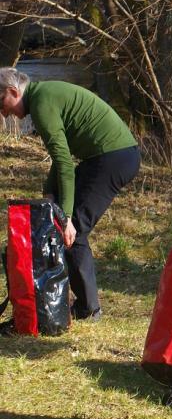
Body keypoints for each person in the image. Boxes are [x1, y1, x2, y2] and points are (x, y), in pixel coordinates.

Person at [0, 67, 140, 322]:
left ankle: (89, 309)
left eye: (2, 103)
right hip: (108, 156)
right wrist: (49, 195)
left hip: (113, 158)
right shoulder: (42, 96)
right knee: (64, 221)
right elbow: (60, 159)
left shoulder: (42, 104)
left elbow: (65, 163)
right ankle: (83, 304)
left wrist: (64, 217)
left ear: (13, 91)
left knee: (74, 232)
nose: (3, 112)